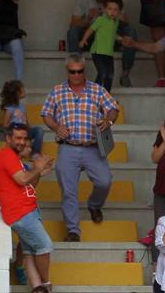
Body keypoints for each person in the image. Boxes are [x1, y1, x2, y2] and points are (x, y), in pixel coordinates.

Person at [40, 54, 121, 239]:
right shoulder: (57, 91)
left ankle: (94, 205)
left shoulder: (97, 90)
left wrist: (108, 120)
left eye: (80, 71)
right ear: (67, 71)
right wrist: (56, 127)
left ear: (84, 70)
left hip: (93, 147)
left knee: (104, 181)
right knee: (69, 192)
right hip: (68, 147)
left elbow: (114, 108)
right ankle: (73, 231)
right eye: (73, 71)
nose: (76, 75)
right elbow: (46, 114)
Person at [0, 123, 53, 287]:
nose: (22, 142)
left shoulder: (15, 158)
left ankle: (38, 291)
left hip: (26, 211)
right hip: (21, 213)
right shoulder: (7, 155)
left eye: (25, 138)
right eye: (18, 138)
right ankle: (46, 286)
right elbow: (23, 179)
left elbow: (30, 184)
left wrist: (39, 171)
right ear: (8, 138)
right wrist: (37, 167)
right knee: (44, 246)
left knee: (30, 253)